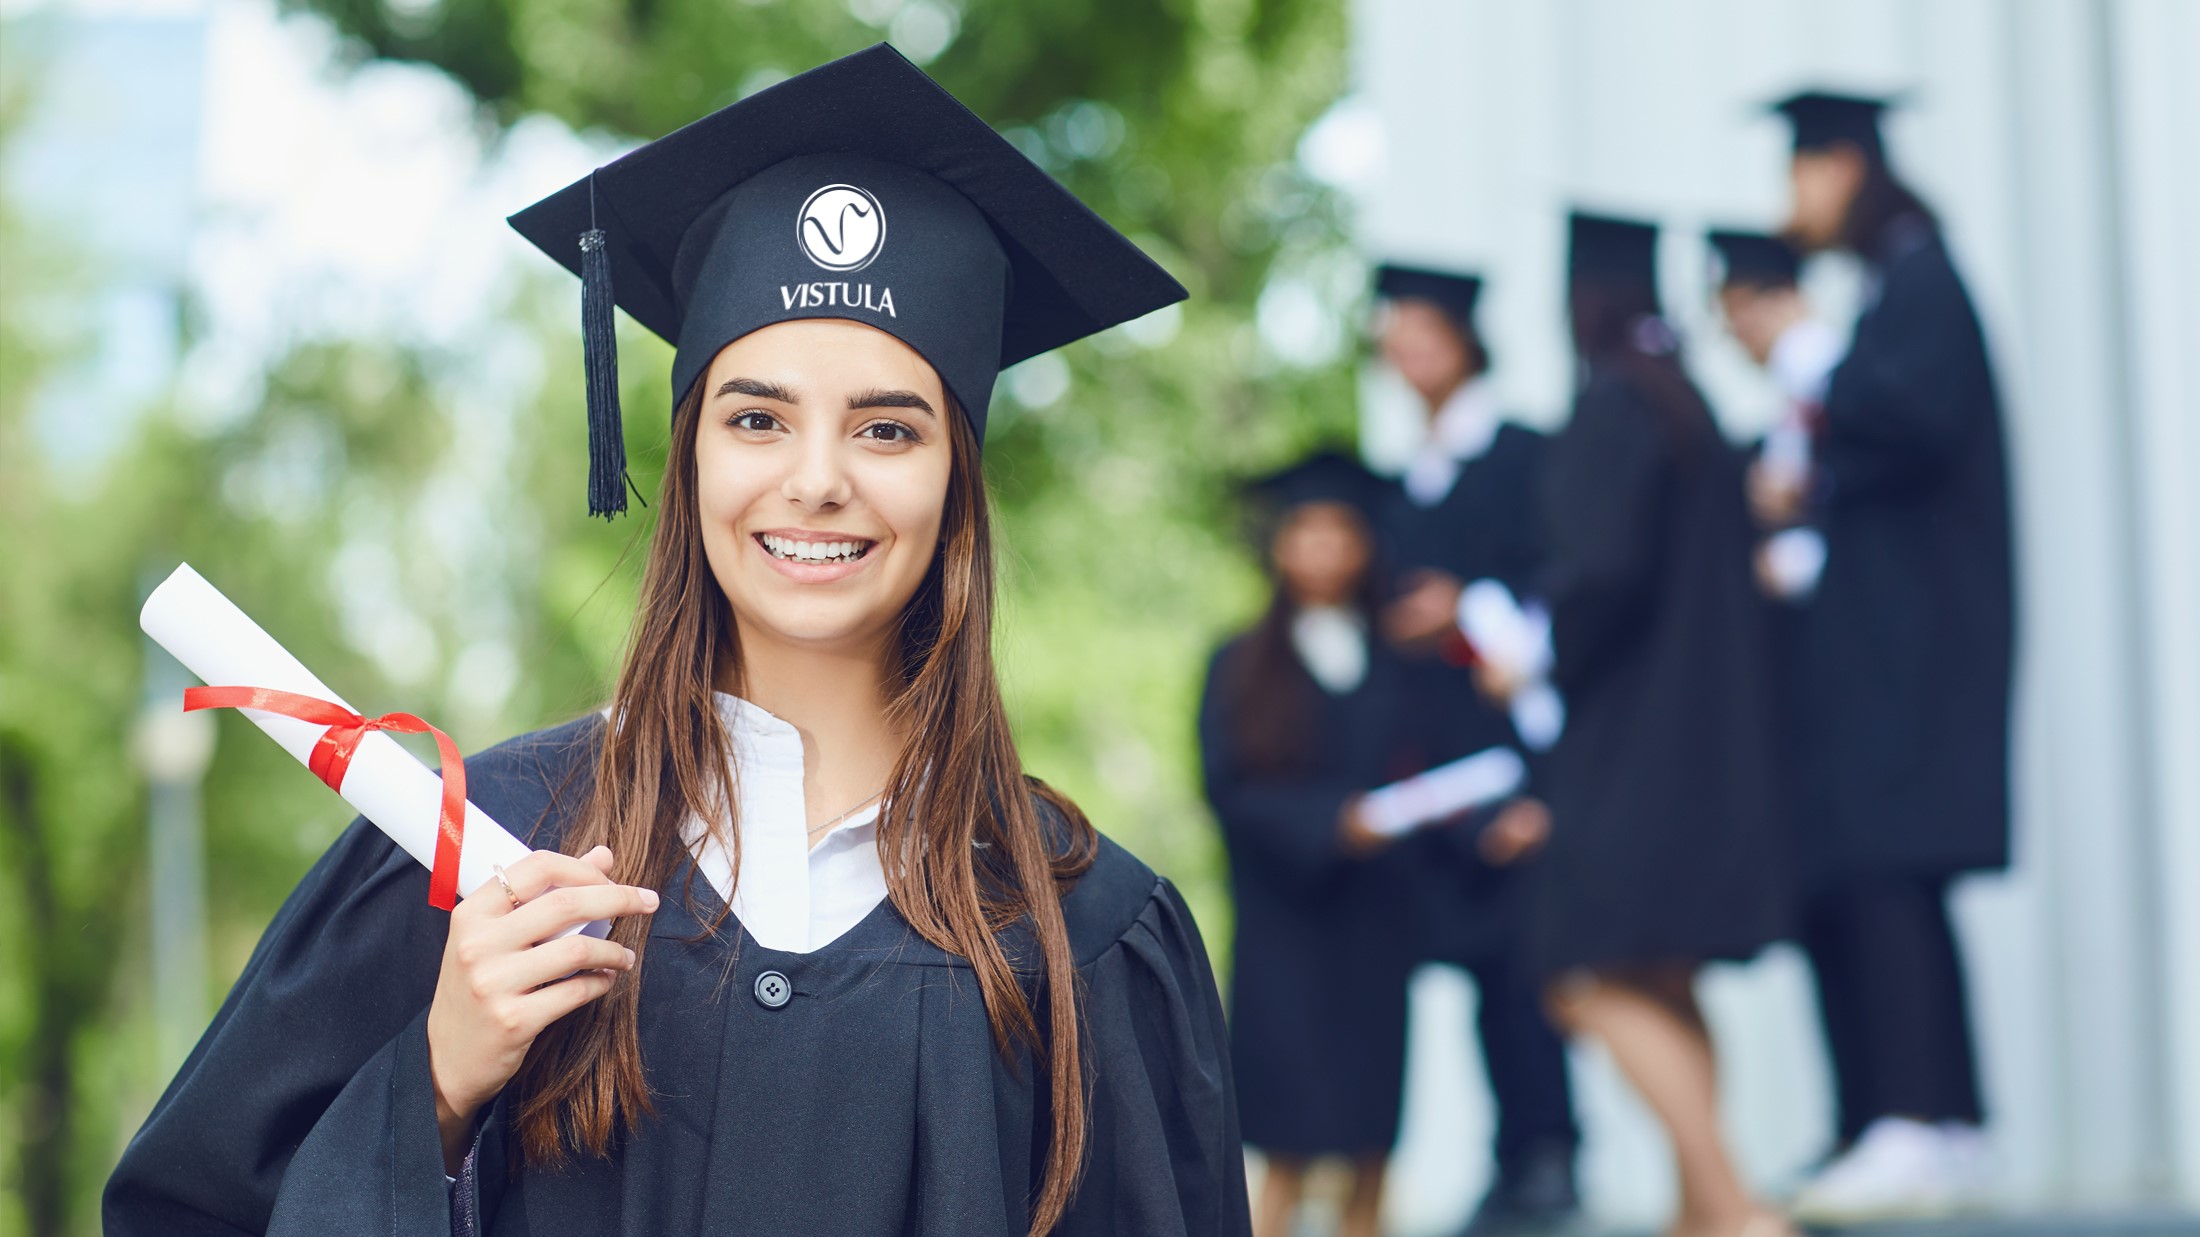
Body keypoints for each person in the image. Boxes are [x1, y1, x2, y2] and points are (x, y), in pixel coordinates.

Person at [103, 45, 1249, 1237]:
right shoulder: (475, 858)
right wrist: (436, 1086)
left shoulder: (1088, 931)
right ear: (691, 451)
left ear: (956, 479)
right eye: (757, 417)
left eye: (887, 429)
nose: (816, 480)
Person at [1500, 211, 1792, 1237]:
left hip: (1629, 750)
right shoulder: (1689, 409)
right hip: (1708, 743)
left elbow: (1598, 575)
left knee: (1580, 974)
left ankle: (1734, 1207)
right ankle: (1699, 1217)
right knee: (1661, 973)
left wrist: (1536, 653)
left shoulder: (1613, 407)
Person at [1760, 90, 2013, 1221]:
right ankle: (1935, 1122)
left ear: (1848, 164)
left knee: (1881, 864)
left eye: (1803, 173)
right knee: (1894, 873)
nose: (1790, 202)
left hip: (1910, 653)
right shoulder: (1902, 283)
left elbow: (1903, 426)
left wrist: (1806, 362)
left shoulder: (1919, 283)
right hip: (1897, 642)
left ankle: (1912, 1121)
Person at [1368, 263, 1582, 1233]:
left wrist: (1467, 608)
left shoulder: (1525, 455)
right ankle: (1515, 1152)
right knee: (1476, 968)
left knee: (1526, 964)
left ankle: (1548, 1152)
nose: (1405, 351)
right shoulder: (1410, 471)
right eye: (1392, 335)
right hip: (1436, 762)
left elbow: (1568, 597)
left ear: (1463, 339)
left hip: (1515, 753)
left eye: (1421, 331)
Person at [1198, 451, 1423, 1237]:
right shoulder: (1238, 663)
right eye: (1307, 531)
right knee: (1286, 1125)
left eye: (1342, 531)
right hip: (1283, 920)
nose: (1324, 549)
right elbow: (1227, 789)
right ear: (1279, 546)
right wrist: (1332, 823)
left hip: (1375, 920)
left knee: (1370, 1124)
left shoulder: (1401, 657)